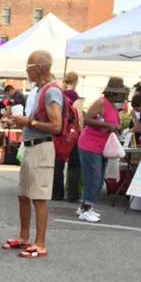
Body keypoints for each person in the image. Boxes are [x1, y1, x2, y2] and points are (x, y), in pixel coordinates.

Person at [0, 50, 62, 258]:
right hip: (30, 146)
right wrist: (17, 122)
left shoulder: (52, 91)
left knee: (39, 196)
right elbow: (34, 121)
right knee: (24, 194)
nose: (26, 72)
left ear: (39, 68)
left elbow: (56, 126)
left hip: (41, 148)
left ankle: (40, 243)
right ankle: (24, 236)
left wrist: (29, 122)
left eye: (29, 67)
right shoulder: (39, 90)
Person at [76, 77, 126, 224]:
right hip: (90, 145)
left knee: (98, 178)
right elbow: (87, 119)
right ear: (112, 92)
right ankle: (86, 209)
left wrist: (116, 127)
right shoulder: (101, 102)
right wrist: (107, 126)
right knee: (94, 178)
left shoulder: (111, 105)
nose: (120, 96)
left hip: (101, 147)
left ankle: (86, 206)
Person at [52, 71, 82, 202]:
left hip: (60, 133)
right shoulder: (74, 96)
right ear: (76, 82)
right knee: (74, 165)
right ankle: (72, 194)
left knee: (58, 164)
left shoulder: (60, 94)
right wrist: (81, 130)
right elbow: (79, 116)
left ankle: (56, 194)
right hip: (73, 134)